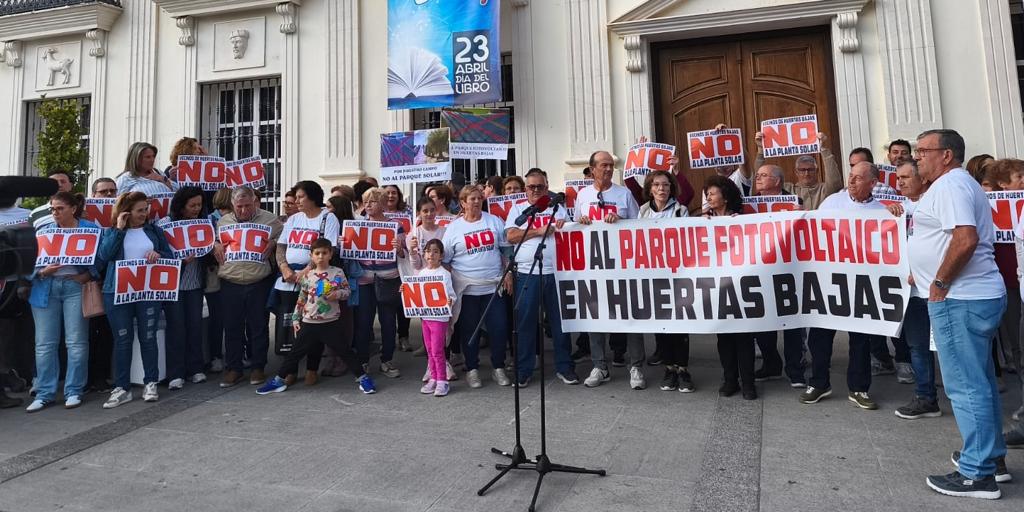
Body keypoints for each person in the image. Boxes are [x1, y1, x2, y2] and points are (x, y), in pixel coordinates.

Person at [911, 130, 1010, 498]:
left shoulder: (951, 185)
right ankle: (991, 459)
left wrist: (939, 282)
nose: (917, 156)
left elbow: (965, 238)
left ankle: (976, 473)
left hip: (960, 298)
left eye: (924, 150)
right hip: (970, 296)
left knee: (966, 386)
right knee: (979, 382)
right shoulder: (954, 184)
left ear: (946, 154)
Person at [800, 162, 887, 410]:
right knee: (820, 337)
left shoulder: (882, 211)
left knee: (860, 339)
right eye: (851, 176)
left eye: (859, 178)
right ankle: (819, 383)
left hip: (861, 285)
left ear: (872, 183)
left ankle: (859, 388)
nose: (851, 180)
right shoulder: (832, 203)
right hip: (830, 281)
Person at [257, 238, 376, 395]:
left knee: (345, 352)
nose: (321, 256)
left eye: (324, 253)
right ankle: (279, 380)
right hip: (309, 322)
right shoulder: (308, 275)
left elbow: (347, 292)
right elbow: (302, 298)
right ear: (311, 256)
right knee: (295, 353)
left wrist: (337, 294)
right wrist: (295, 318)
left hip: (331, 321)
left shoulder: (337, 272)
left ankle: (362, 378)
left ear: (330, 254)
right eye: (317, 253)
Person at [96, 191, 173, 408]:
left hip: (147, 292)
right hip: (117, 293)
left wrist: (159, 255)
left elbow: (170, 255)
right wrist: (119, 230)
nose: (144, 214)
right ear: (126, 212)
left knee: (148, 337)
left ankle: (151, 382)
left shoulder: (154, 231)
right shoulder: (111, 232)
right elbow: (104, 256)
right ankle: (122, 388)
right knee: (123, 340)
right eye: (140, 210)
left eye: (145, 209)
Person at [574, 150, 642, 388]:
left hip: (621, 266)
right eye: (603, 165)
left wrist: (621, 222)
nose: (609, 169)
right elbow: (575, 226)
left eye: (611, 165)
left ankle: (636, 366)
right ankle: (599, 366)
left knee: (630, 316)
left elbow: (639, 226)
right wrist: (581, 223)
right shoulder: (582, 195)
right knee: (596, 316)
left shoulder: (624, 194)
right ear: (592, 169)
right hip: (593, 267)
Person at [25, 192, 98, 412]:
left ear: (73, 209)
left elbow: (101, 257)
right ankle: (45, 393)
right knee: (44, 344)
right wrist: (41, 272)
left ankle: (74, 390)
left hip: (74, 286)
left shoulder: (90, 229)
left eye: (59, 209)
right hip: (45, 287)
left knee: (76, 341)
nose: (55, 213)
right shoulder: (43, 231)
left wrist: (89, 275)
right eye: (52, 209)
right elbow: (28, 263)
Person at [505, 168, 577, 387]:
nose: (536, 190)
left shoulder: (557, 207)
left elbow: (571, 232)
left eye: (540, 186)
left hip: (556, 273)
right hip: (528, 274)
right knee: (526, 324)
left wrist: (564, 226)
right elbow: (511, 236)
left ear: (547, 187)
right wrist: (538, 231)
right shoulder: (518, 209)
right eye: (531, 187)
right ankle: (524, 370)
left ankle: (565, 367)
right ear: (525, 189)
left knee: (560, 323)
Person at [886, 161, 941, 421]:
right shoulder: (900, 208)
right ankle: (926, 397)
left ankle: (964, 398)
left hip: (941, 290)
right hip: (912, 293)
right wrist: (887, 213)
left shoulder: (936, 204)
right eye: (898, 178)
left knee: (949, 348)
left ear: (923, 179)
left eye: (906, 177)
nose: (900, 182)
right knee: (918, 347)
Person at [213, 187, 284, 388]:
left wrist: (275, 242)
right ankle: (233, 368)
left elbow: (286, 240)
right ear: (232, 205)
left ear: (255, 202)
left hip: (258, 280)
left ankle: (257, 366)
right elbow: (216, 242)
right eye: (239, 206)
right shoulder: (223, 221)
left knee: (258, 326)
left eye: (247, 205)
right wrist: (215, 243)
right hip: (231, 280)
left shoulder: (270, 220)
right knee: (232, 326)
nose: (244, 210)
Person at [441, 186, 511, 388]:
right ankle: (472, 369)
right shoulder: (454, 228)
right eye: (472, 199)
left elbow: (506, 250)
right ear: (462, 203)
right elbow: (446, 260)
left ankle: (498, 367)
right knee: (469, 330)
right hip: (467, 289)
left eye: (479, 198)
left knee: (499, 328)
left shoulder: (494, 221)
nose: (477, 201)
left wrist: (508, 273)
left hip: (493, 287)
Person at [747, 165, 806, 387]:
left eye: (764, 175)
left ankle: (795, 371)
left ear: (778, 181)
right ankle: (771, 364)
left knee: (792, 324)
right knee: (763, 323)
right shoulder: (748, 205)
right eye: (758, 175)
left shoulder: (794, 202)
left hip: (789, 270)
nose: (758, 178)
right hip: (760, 271)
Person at [274, 181, 340, 374]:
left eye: (301, 197)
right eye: (296, 197)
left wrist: (306, 271)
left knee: (313, 323)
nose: (296, 201)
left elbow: (329, 248)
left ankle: (312, 368)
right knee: (290, 323)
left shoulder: (328, 218)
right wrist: (284, 268)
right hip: (289, 281)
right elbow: (281, 246)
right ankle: (290, 370)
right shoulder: (294, 219)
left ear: (313, 197)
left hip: (313, 279)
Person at [637, 171, 694, 392]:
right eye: (657, 185)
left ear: (672, 188)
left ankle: (683, 370)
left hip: (677, 275)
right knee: (662, 325)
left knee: (680, 325)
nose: (662, 189)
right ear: (650, 189)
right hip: (654, 276)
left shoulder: (680, 210)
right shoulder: (643, 211)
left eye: (666, 185)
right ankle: (669, 369)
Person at [702, 175, 756, 399]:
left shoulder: (743, 218)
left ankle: (748, 383)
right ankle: (730, 380)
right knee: (724, 337)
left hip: (741, 285)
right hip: (717, 286)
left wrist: (740, 225)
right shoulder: (703, 220)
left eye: (712, 193)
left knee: (744, 337)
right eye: (707, 194)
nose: (708, 197)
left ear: (725, 196)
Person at [350, 187, 406, 379]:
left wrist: (400, 249)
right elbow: (350, 250)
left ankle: (386, 360)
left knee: (388, 322)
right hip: (365, 281)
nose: (368, 205)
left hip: (388, 279)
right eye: (366, 201)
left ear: (382, 204)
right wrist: (344, 242)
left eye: (372, 201)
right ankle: (363, 361)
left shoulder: (396, 225)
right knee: (363, 323)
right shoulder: (358, 225)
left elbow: (403, 255)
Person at [161, 187, 212, 389]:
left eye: (199, 205)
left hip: (195, 283)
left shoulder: (204, 222)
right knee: (176, 327)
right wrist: (180, 261)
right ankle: (175, 372)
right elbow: (160, 251)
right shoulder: (164, 224)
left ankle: (195, 368)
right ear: (181, 206)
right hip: (173, 285)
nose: (197, 209)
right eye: (192, 205)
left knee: (195, 326)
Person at [753, 132, 840, 210]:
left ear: (817, 171)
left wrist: (824, 149)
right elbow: (759, 181)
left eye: (810, 170)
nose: (806, 173)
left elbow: (834, 180)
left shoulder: (824, 189)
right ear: (796, 172)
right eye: (802, 170)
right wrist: (761, 151)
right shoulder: (788, 189)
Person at [86, 179, 117, 391]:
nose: (108, 195)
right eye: (103, 191)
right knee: (87, 332)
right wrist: (93, 273)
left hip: (112, 279)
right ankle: (86, 377)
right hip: (89, 279)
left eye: (112, 191)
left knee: (107, 330)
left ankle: (101, 376)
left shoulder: (121, 219)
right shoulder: (85, 220)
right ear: (94, 195)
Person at [417, 239, 457, 397]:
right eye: (428, 251)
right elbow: (417, 293)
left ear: (441, 255)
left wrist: (450, 301)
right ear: (424, 254)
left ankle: (442, 380)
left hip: (439, 319)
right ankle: (433, 378)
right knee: (429, 349)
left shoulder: (444, 274)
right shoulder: (421, 273)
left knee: (437, 350)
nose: (431, 255)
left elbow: (451, 295)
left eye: (435, 251)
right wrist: (405, 290)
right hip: (425, 317)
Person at [383, 184, 413, 352]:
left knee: (403, 302)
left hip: (403, 262)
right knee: (388, 306)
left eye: (394, 193)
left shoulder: (408, 212)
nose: (390, 196)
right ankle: (388, 338)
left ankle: (404, 336)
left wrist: (402, 248)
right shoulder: (374, 214)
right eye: (387, 193)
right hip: (383, 266)